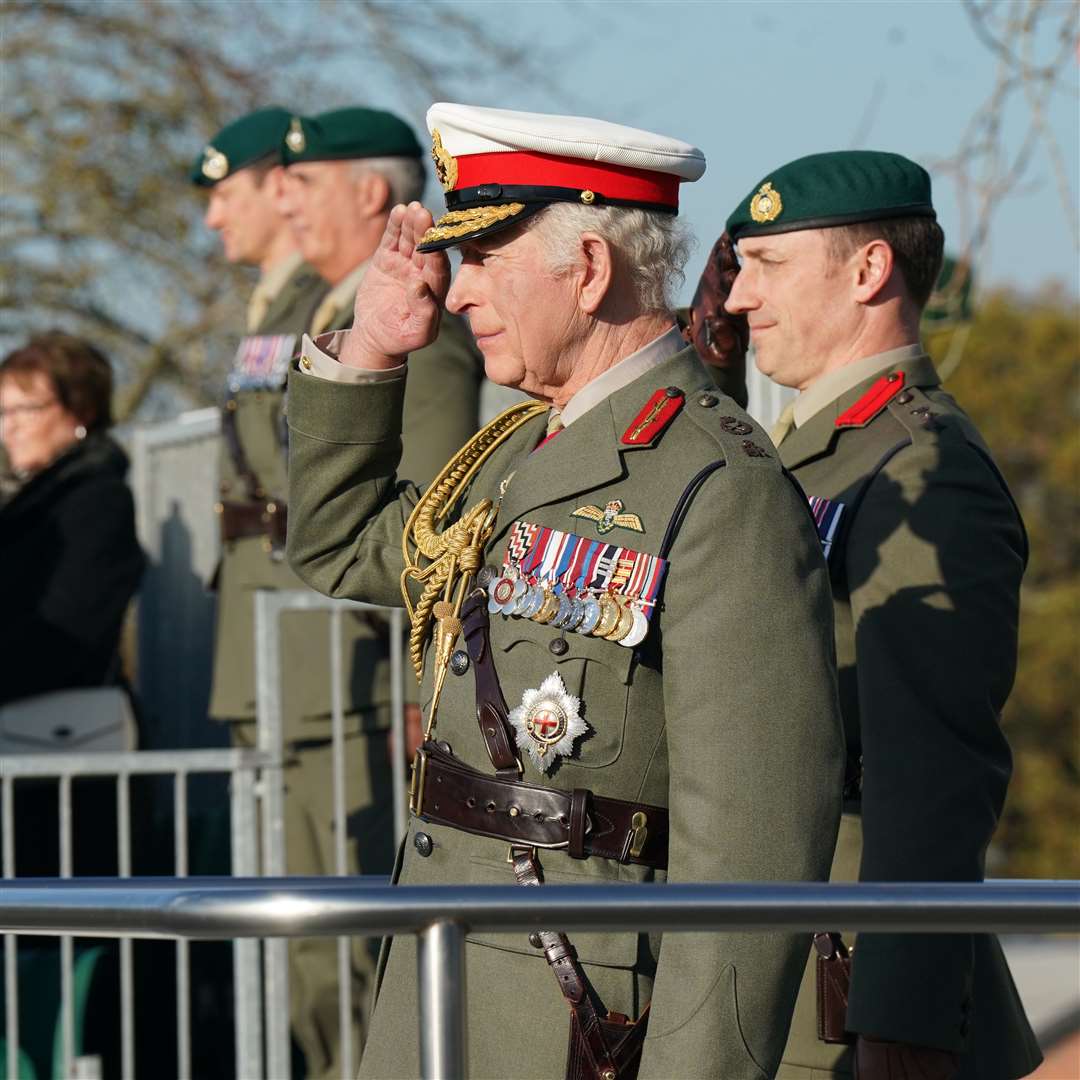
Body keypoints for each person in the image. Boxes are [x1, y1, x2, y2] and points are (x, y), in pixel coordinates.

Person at [285, 103, 845, 1080]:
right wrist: (371, 348)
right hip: (447, 986)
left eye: (486, 261)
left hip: (576, 1022)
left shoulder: (717, 486)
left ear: (587, 269)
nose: (456, 297)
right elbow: (338, 544)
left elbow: (750, 858)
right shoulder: (513, 457)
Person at [721, 151, 1042, 1080]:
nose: (741, 298)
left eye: (768, 266)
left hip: (847, 986)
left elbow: (934, 774)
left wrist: (900, 1018)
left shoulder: (918, 468)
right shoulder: (813, 453)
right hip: (787, 951)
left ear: (869, 271)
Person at [196, 106, 483, 1078]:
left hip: (351, 675)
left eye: (304, 184)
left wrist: (418, 695)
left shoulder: (418, 334)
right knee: (304, 945)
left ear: (370, 194)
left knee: (346, 943)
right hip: (290, 661)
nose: (287, 202)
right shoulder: (316, 313)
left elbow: (427, 527)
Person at [0, 332, 145, 875]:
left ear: (79, 410)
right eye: (2, 411)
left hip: (64, 752)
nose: (6, 426)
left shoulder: (96, 499)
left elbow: (71, 630)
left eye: (23, 409)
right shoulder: (40, 497)